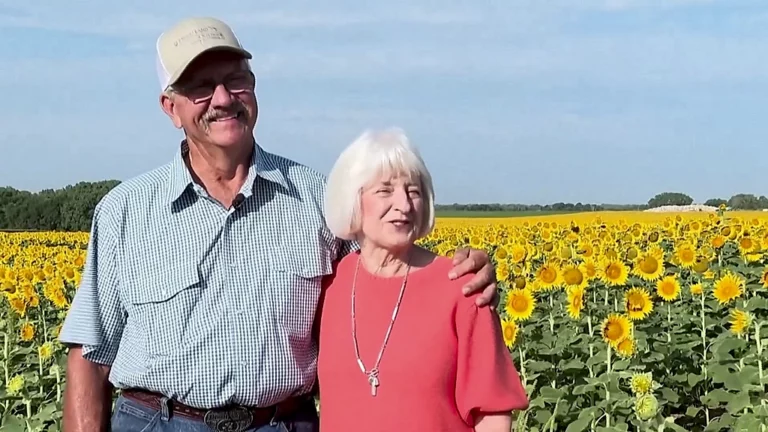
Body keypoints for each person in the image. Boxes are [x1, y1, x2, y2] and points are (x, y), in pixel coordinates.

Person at [58, 17, 500, 432]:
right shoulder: (126, 211)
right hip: (160, 419)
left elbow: (384, 281)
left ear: (253, 88)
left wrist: (458, 273)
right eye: (200, 88)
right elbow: (90, 355)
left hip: (281, 422)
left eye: (236, 80)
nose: (223, 99)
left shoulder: (316, 199)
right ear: (170, 108)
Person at [315, 128, 528, 431]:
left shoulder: (462, 286)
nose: (404, 204)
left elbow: (491, 412)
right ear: (353, 199)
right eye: (385, 190)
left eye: (413, 191)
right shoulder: (332, 283)